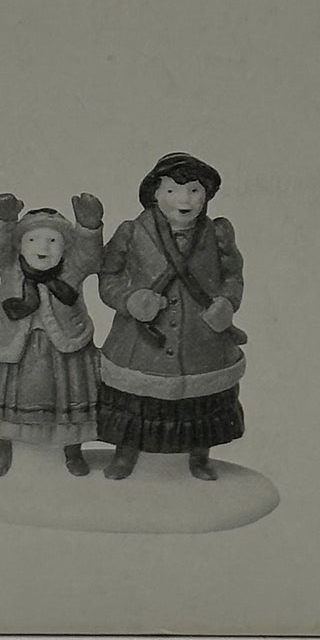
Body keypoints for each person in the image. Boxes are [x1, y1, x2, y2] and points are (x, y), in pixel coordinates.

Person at [95, 151, 245, 481]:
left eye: (194, 190)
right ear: (155, 194)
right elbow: (108, 277)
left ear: (206, 196)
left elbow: (232, 276)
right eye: (172, 190)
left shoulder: (218, 233)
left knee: (201, 403)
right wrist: (130, 300)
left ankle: (199, 457)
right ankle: (125, 455)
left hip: (201, 338)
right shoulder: (131, 232)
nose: (184, 200)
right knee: (134, 402)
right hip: (140, 342)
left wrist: (227, 302)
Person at [0, 193, 106, 476]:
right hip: (14, 344)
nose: (43, 247)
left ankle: (73, 451)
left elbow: (90, 257)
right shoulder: (10, 265)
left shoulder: (71, 269)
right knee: (5, 399)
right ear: (20, 245)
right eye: (33, 239)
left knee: (71, 399)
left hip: (65, 345)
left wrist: (89, 227)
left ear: (65, 247)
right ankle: (1, 451)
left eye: (53, 240)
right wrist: (2, 220)